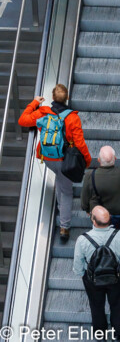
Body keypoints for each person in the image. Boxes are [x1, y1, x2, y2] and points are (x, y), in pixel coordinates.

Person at [18, 84, 91, 242]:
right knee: (66, 191)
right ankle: (64, 227)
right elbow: (80, 144)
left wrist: (34, 103)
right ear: (67, 99)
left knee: (60, 179)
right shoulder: (72, 118)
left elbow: (22, 120)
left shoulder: (42, 113)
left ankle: (60, 207)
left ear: (52, 97)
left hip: (47, 158)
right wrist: (87, 160)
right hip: (65, 161)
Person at [73, 206, 120, 342]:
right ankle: (117, 335)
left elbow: (78, 268)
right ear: (109, 219)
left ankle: (100, 335)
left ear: (93, 220)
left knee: (96, 306)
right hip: (116, 280)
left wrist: (85, 275)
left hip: (93, 281)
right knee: (117, 305)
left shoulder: (82, 240)